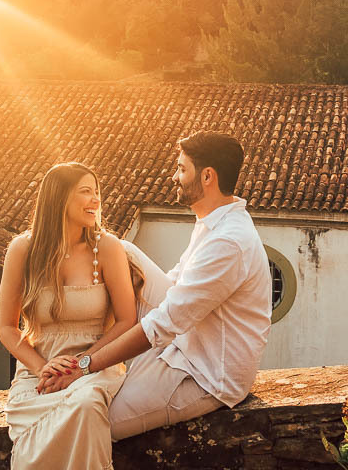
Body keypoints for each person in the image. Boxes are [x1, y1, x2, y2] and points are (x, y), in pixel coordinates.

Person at [39, 131, 272, 440]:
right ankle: (71, 347)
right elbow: (174, 286)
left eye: (181, 169)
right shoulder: (212, 222)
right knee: (121, 249)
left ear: (207, 177)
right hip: (185, 344)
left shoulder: (228, 241)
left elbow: (165, 322)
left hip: (206, 373)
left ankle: (82, 359)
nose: (174, 176)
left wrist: (85, 365)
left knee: (87, 423)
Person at [0, 162, 142, 469]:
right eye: (86, 192)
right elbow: (6, 327)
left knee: (86, 404)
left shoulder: (109, 248)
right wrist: (42, 368)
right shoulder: (23, 249)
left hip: (97, 364)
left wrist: (83, 363)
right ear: (59, 198)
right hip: (41, 373)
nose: (95, 200)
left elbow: (128, 320)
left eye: (97, 192)